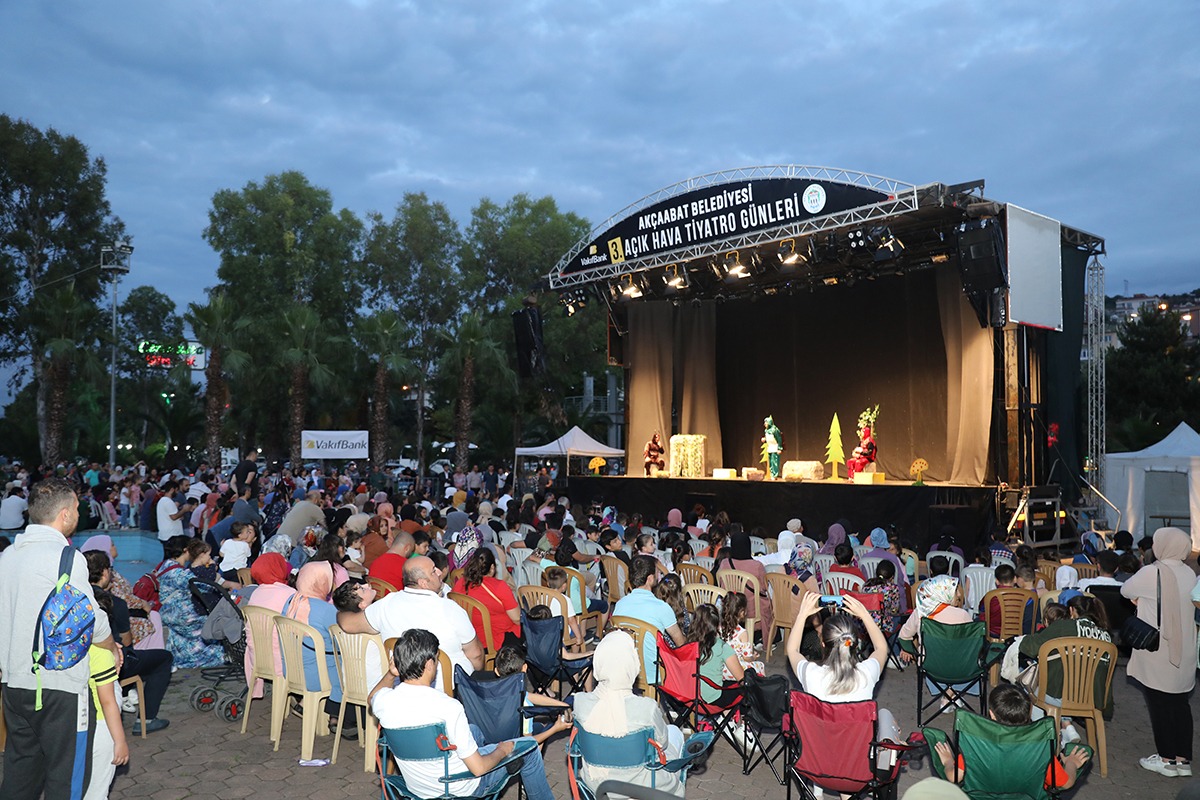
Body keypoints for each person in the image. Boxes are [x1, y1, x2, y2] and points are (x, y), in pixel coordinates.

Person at [0, 478, 118, 800]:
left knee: (20, 772)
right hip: (60, 688)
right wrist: (110, 645)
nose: (79, 513)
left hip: (14, 685)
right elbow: (89, 618)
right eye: (77, 508)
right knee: (65, 777)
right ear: (64, 515)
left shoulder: (8, 557)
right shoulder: (66, 558)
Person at [371, 629, 555, 800]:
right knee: (529, 746)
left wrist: (390, 674)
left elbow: (372, 696)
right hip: (458, 786)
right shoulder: (448, 707)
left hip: (416, 786)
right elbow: (478, 768)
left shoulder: (384, 701)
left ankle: (489, 755)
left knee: (473, 730)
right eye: (435, 660)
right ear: (429, 664)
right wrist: (502, 751)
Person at [338, 555, 483, 690]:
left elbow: (347, 623)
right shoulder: (451, 609)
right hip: (448, 690)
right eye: (433, 571)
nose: (439, 572)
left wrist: (338, 613)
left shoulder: (386, 604)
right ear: (423, 583)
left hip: (402, 688)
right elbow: (475, 655)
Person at [573, 630, 687, 797]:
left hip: (596, 785)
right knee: (675, 732)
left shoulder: (580, 702)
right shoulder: (646, 707)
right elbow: (661, 744)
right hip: (643, 785)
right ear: (631, 664)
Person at [1122, 527, 1197, 778]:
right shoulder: (1190, 572)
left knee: (1160, 705)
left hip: (1159, 649)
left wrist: (1140, 600)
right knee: (1179, 704)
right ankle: (1182, 760)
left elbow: (1125, 591)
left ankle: (1166, 759)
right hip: (1184, 648)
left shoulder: (1151, 572)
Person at [787, 592, 902, 747]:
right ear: (856, 642)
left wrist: (802, 615)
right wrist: (864, 614)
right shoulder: (866, 674)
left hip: (816, 759)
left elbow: (792, 650)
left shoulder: (811, 674)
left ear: (822, 643)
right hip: (857, 763)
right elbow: (882, 648)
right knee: (885, 715)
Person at [934, 684, 1090, 791]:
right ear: (1029, 714)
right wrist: (1071, 764)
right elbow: (1066, 783)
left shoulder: (977, 744)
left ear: (991, 714)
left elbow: (954, 776)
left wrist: (948, 761)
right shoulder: (1040, 747)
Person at [85, 550, 173, 735]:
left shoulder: (75, 599)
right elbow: (126, 641)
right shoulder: (114, 602)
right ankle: (147, 719)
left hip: (83, 662)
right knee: (163, 658)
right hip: (113, 662)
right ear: (106, 572)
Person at [282, 561, 348, 739]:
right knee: (348, 665)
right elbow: (342, 640)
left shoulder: (290, 601)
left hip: (292, 670)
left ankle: (305, 704)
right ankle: (338, 716)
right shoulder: (327, 610)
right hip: (316, 677)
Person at [611, 555, 686, 681]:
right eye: (657, 573)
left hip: (624, 668)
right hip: (652, 673)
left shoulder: (620, 604)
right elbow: (681, 644)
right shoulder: (662, 607)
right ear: (650, 579)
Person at [157, 535, 226, 668]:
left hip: (168, 613)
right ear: (185, 550)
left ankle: (179, 658)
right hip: (182, 615)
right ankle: (216, 656)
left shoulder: (165, 565)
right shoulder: (178, 572)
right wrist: (211, 569)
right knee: (213, 626)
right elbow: (202, 585)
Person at [83, 637, 127, 800]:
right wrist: (120, 741)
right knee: (97, 791)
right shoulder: (100, 653)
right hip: (102, 726)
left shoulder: (65, 651)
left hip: (74, 725)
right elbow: (108, 702)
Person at [453, 548, 520, 650]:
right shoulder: (499, 586)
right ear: (492, 567)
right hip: (495, 640)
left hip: (470, 638)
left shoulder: (460, 583)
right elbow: (516, 618)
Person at [715, 529, 773, 646]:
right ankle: (762, 638)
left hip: (731, 606)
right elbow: (763, 588)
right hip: (751, 608)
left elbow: (720, 583)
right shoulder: (756, 565)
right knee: (769, 603)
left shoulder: (725, 563)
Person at [687, 603, 744, 703]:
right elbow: (742, 679)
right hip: (712, 699)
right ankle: (731, 717)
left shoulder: (687, 643)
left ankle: (724, 715)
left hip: (689, 696)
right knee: (744, 688)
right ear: (717, 624)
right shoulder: (722, 647)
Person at [719, 591, 763, 677]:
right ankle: (757, 689)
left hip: (720, 668)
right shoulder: (742, 633)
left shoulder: (718, 627)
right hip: (735, 670)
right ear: (742, 612)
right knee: (760, 666)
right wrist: (753, 657)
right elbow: (747, 658)